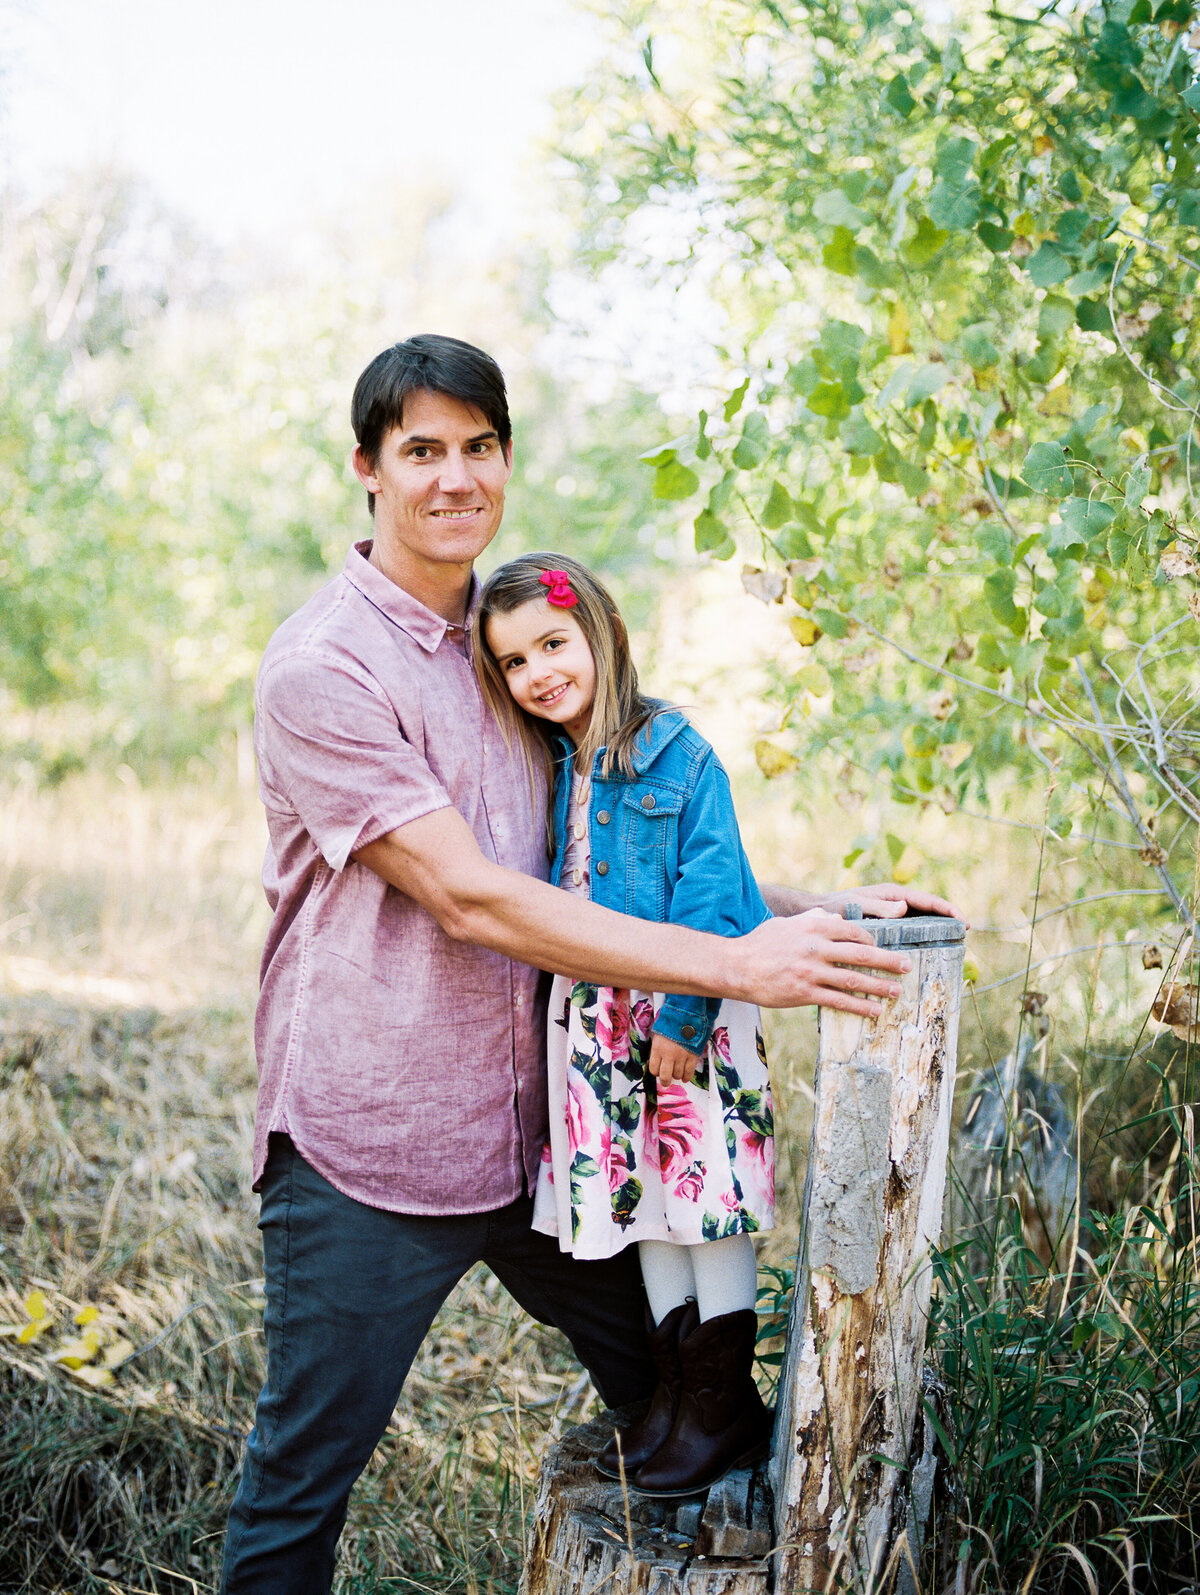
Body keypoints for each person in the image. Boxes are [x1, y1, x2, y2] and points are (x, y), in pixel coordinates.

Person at [221, 333, 960, 1593]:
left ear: (504, 458)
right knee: (302, 1480)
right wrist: (739, 973)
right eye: (422, 452)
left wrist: (809, 914)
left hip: (549, 1134)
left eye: (480, 446)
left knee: (694, 1407)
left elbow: (608, 861)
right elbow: (471, 893)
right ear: (367, 469)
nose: (456, 476)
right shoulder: (324, 667)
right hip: (374, 1144)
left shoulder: (520, 645)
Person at [474, 552, 778, 1496]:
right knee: (645, 1197)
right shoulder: (560, 762)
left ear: (601, 634)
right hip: (601, 1026)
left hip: (681, 1016)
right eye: (515, 663)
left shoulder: (677, 751)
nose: (539, 674)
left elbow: (719, 890)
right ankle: (676, 1404)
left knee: (706, 1191)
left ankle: (724, 1408)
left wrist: (684, 1015)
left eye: (553, 644)